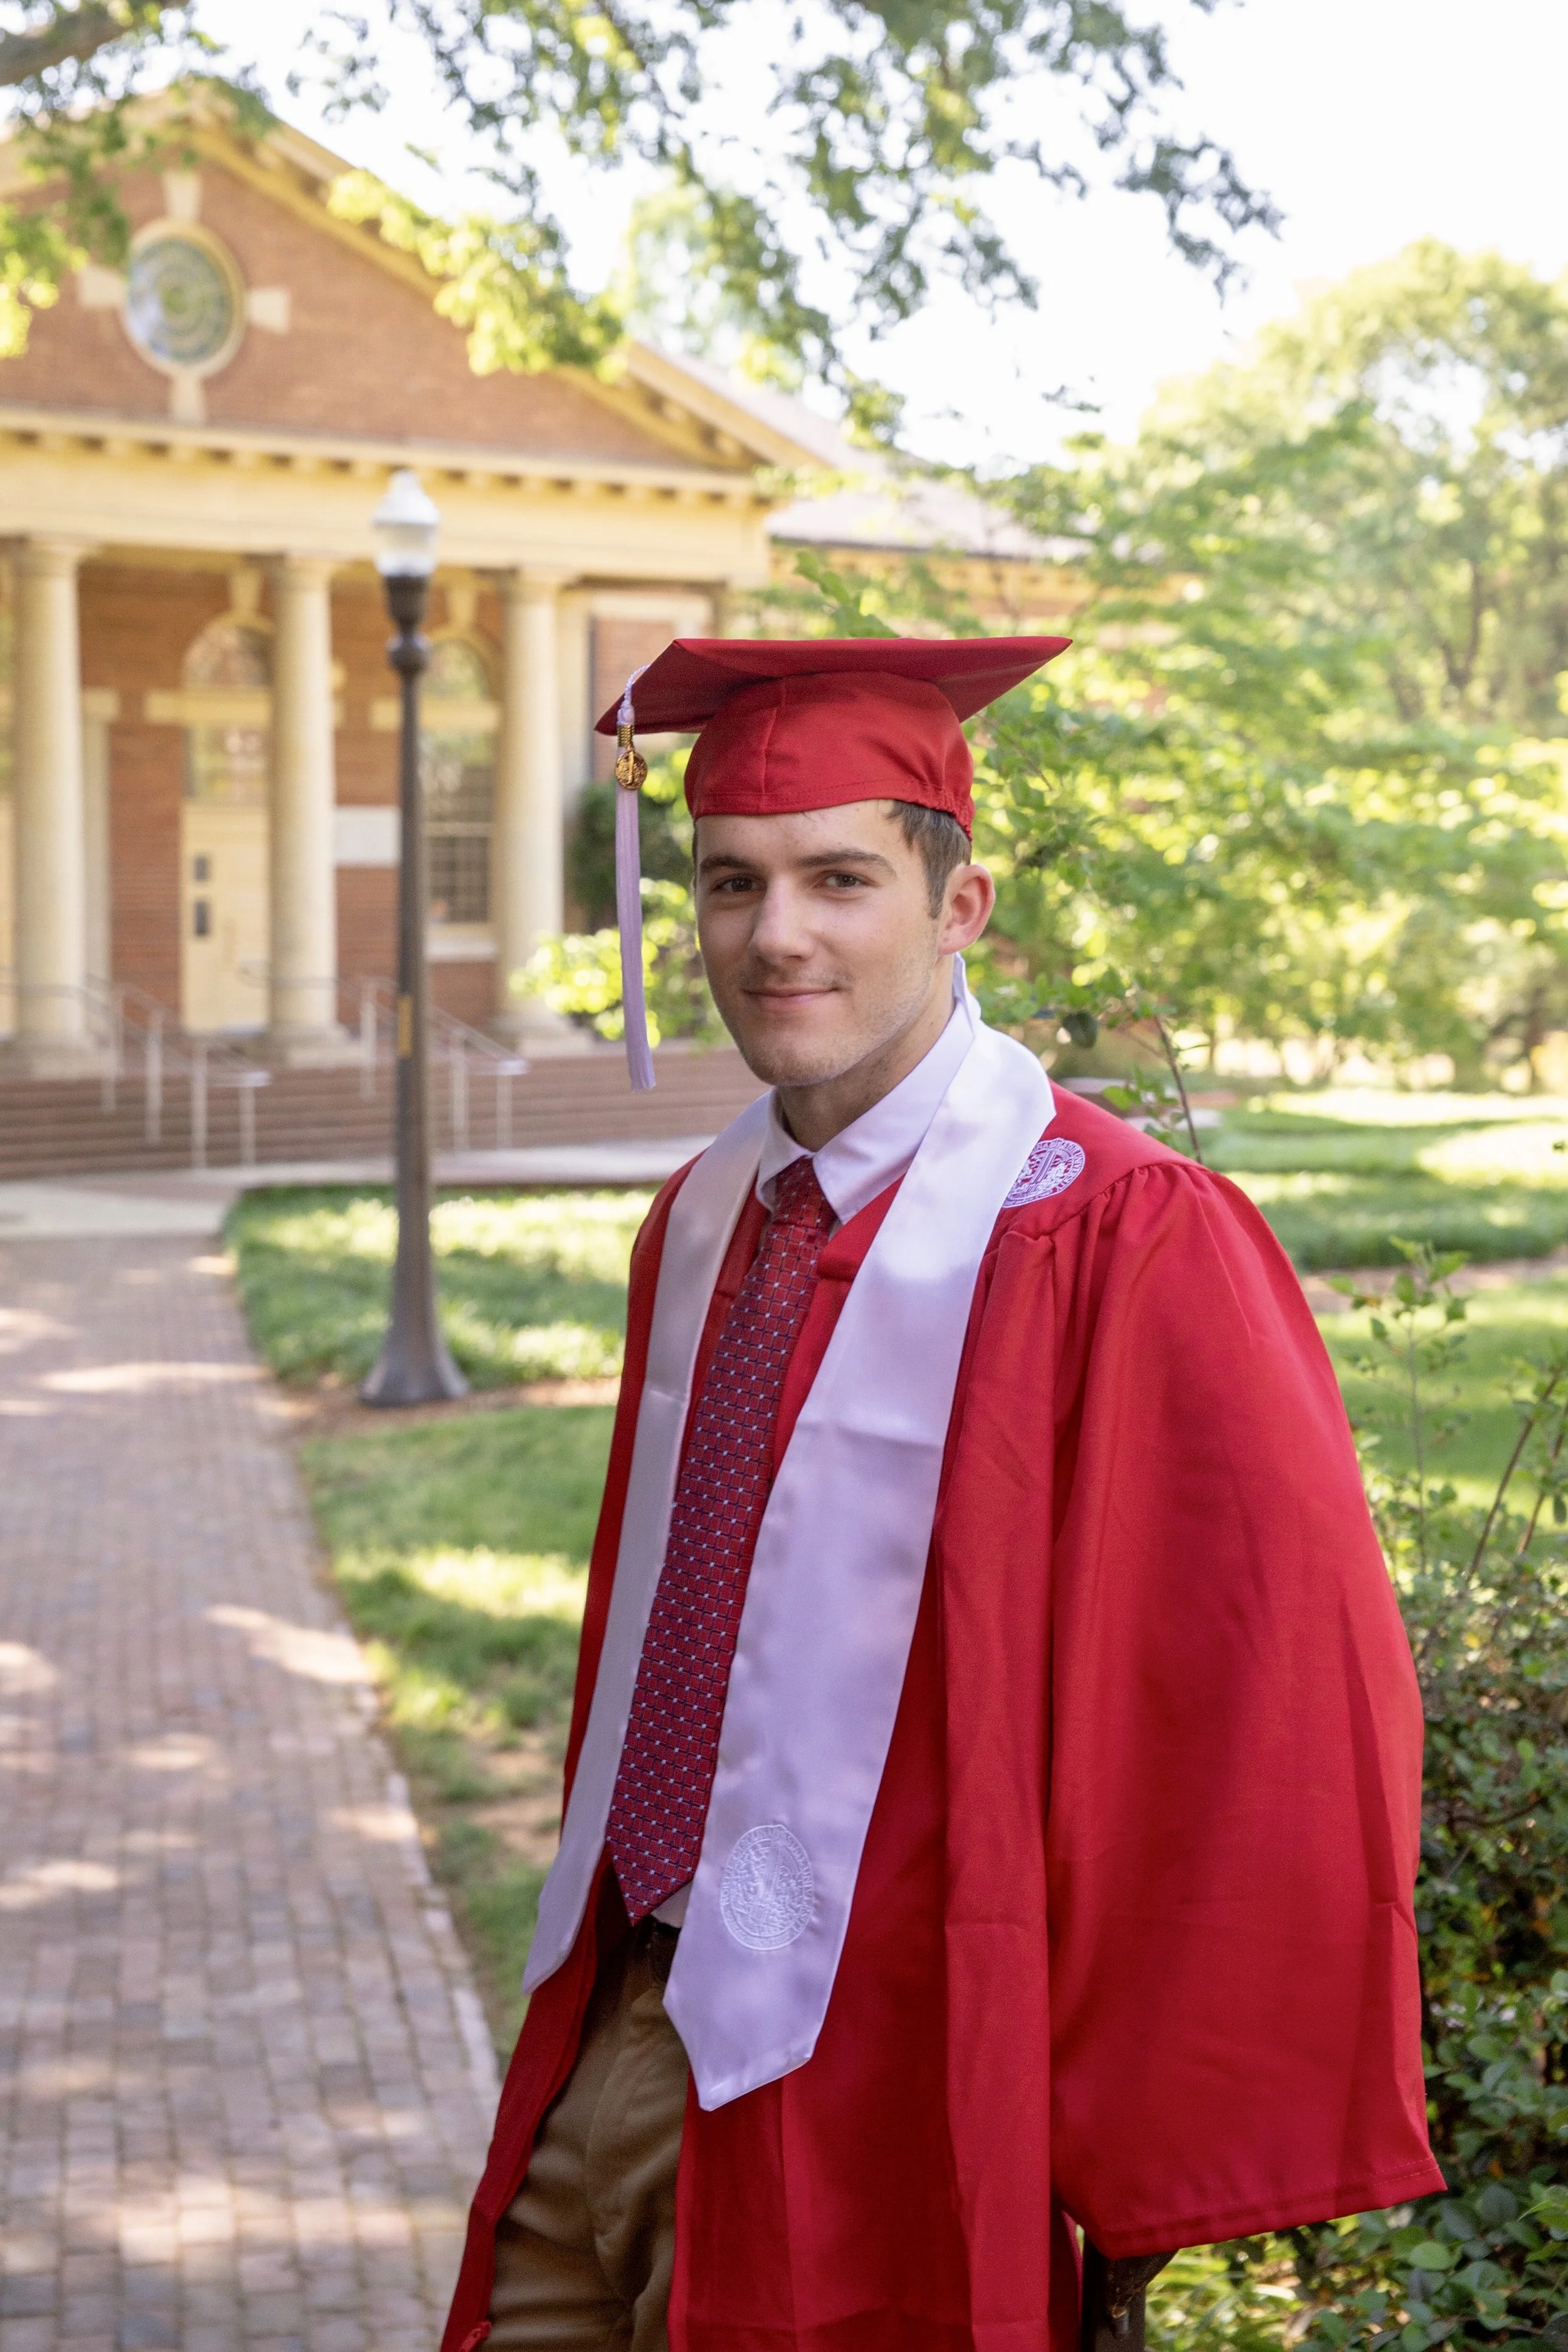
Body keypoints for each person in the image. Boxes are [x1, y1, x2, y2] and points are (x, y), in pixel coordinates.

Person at [442, 638, 1441, 2352]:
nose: (778, 934)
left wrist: (1134, 2167)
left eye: (841, 879)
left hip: (882, 2073)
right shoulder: (702, 1220)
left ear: (958, 901)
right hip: (605, 2018)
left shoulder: (1118, 1232)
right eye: (733, 882)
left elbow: (1252, 1708)